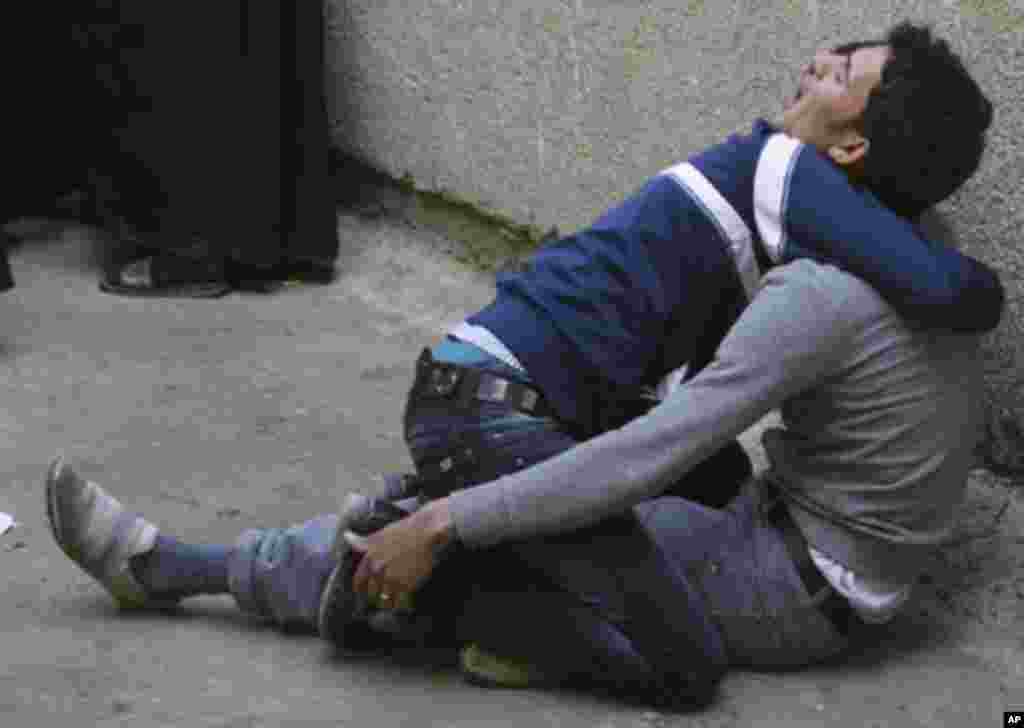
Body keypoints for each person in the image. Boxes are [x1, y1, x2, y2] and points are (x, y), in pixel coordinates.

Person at [43, 22, 999, 708]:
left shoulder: (811, 259)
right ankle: (330, 554)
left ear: (854, 148)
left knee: (517, 577)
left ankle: (274, 571)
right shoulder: (881, 249)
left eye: (842, 71)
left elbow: (650, 449)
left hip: (797, 579)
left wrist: (454, 521)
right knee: (521, 515)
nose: (816, 59)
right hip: (752, 520)